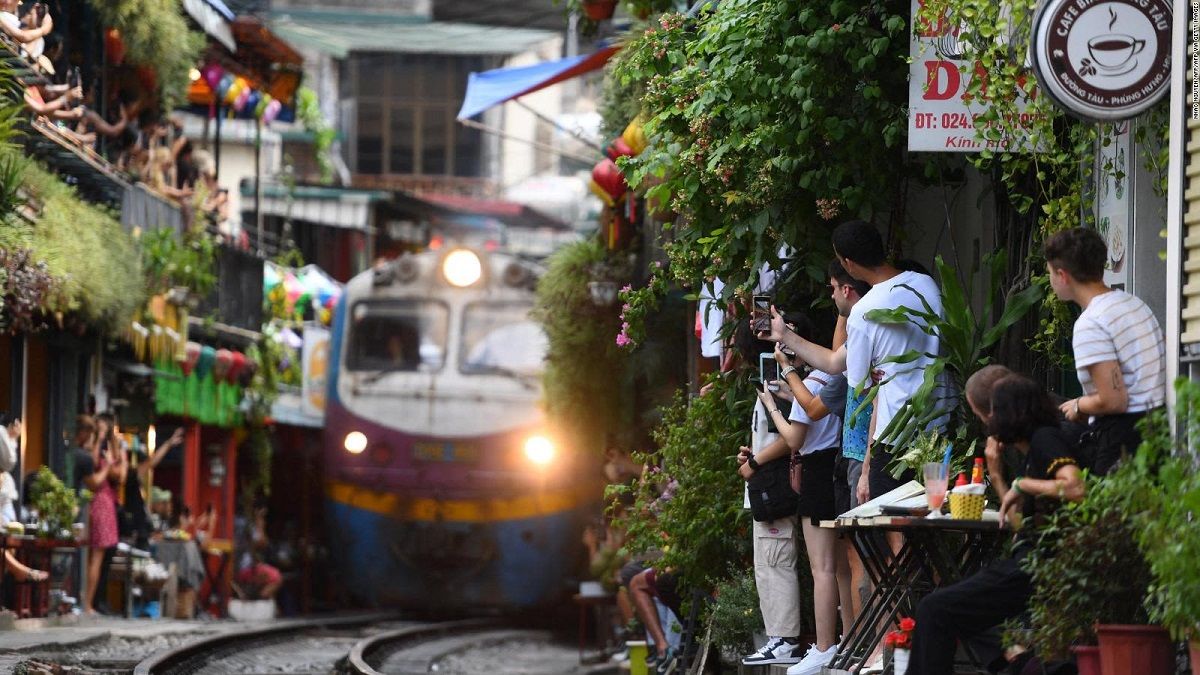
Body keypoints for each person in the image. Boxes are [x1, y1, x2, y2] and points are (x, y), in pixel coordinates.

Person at [908, 373, 1085, 675]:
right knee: (948, 607)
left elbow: (1076, 488)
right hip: (1030, 558)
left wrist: (1024, 485)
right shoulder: (1033, 449)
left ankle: (1016, 655)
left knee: (935, 610)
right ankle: (1014, 656)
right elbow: (1018, 522)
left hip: (1039, 564)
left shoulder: (1046, 439)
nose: (988, 425)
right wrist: (999, 475)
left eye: (990, 416)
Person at [760, 221, 943, 505]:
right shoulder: (925, 284)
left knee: (889, 532)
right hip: (937, 428)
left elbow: (861, 390)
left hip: (892, 438)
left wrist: (867, 467)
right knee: (933, 523)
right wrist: (783, 334)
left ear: (848, 262)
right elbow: (835, 362)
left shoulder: (864, 312)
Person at [753, 319, 845, 675]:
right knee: (838, 568)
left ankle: (825, 646)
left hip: (816, 471)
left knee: (822, 567)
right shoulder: (832, 380)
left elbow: (795, 440)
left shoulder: (808, 383)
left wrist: (772, 405)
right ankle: (846, 640)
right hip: (835, 466)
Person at [1042, 227, 1166, 474]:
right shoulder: (1132, 303)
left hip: (1122, 438)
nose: (1051, 281)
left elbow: (1114, 400)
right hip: (1158, 428)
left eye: (1050, 274)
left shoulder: (1091, 323)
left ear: (1063, 275)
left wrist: (1078, 405)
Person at [736, 316, 806, 667]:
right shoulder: (772, 381)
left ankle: (786, 638)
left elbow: (790, 437)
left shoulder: (782, 382)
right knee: (768, 562)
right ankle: (779, 636)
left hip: (773, 483)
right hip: (764, 482)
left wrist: (756, 463)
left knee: (776, 560)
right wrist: (752, 458)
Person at [74, 415, 126, 615]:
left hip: (98, 501)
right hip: (101, 501)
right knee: (96, 555)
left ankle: (87, 602)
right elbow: (114, 473)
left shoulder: (98, 449)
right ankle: (87, 604)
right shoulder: (95, 452)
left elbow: (120, 474)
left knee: (93, 555)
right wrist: (109, 463)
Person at [121, 427, 184, 551]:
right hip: (134, 531)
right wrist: (168, 444)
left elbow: (151, 463)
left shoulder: (129, 478)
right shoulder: (128, 476)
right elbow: (152, 462)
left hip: (137, 529)